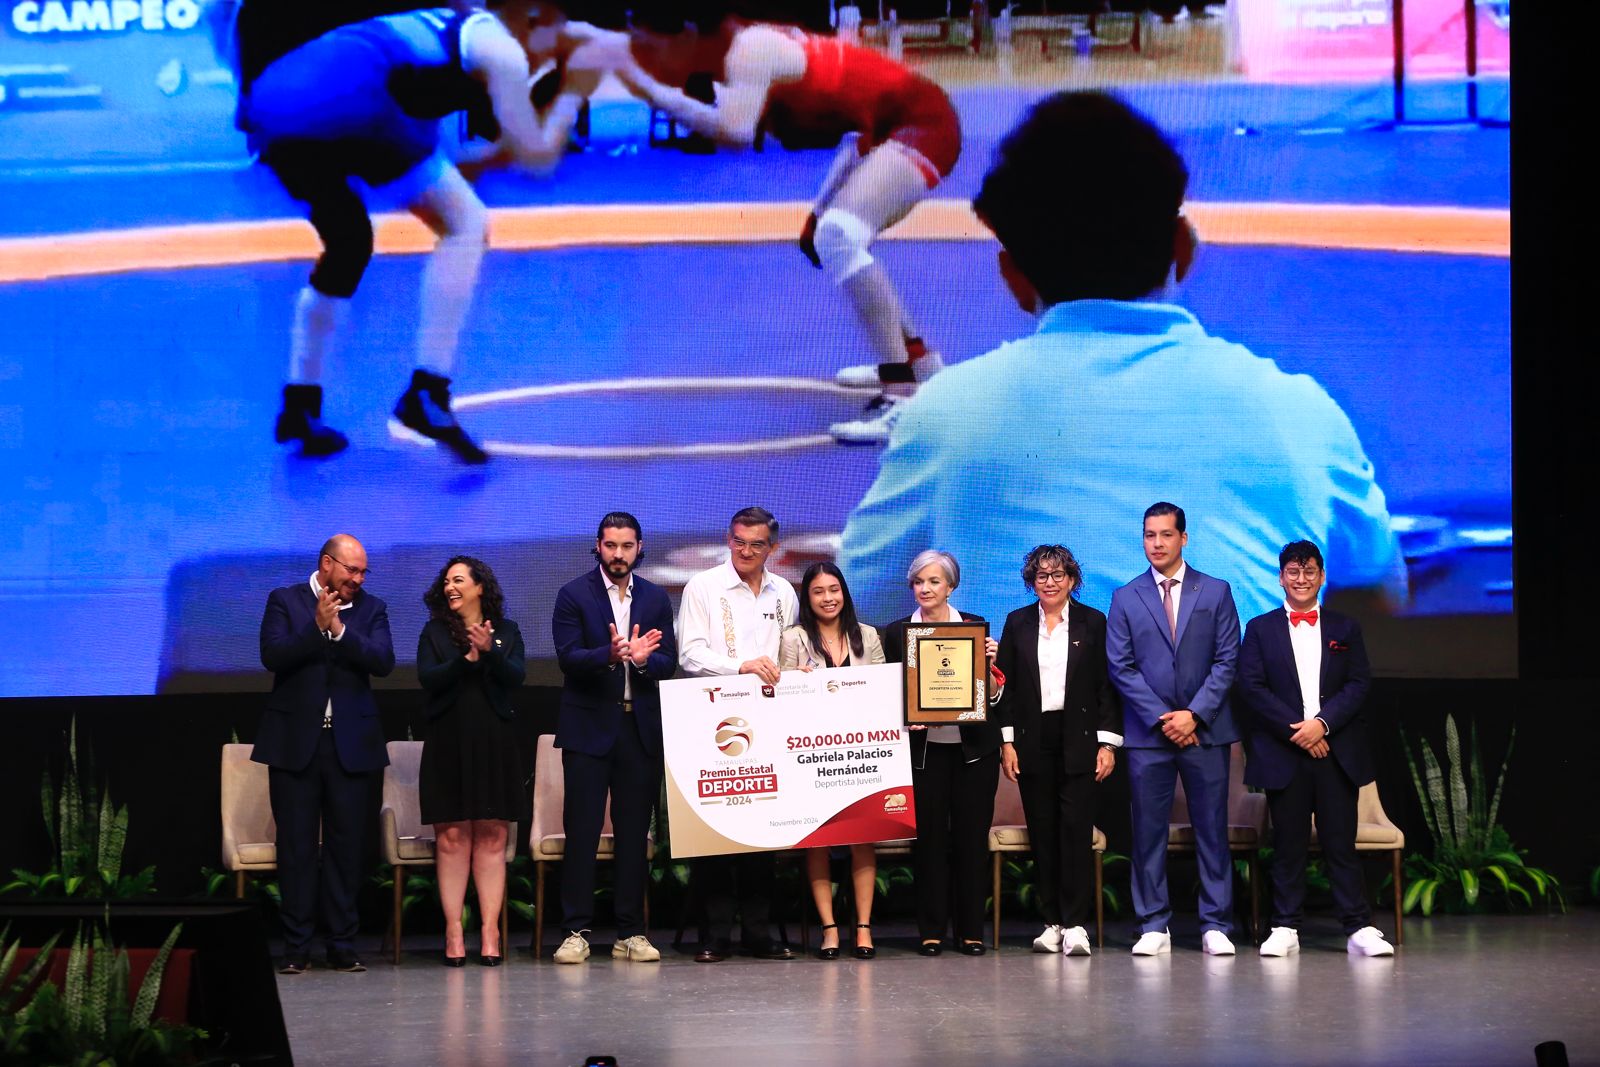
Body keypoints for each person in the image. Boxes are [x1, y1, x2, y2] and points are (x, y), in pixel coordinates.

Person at [838, 90, 1405, 630]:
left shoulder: (947, 413)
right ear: (1183, 247)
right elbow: (1380, 600)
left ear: (1013, 278)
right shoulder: (1299, 411)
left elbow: (856, 612)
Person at [240, 0, 610, 462]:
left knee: (348, 241)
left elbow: (474, 158)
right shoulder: (499, 46)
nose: (547, 61)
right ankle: (428, 390)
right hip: (357, 97)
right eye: (553, 46)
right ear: (534, 18)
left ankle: (299, 405)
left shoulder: (439, 33)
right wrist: (573, 92)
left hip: (274, 104)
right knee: (466, 223)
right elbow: (535, 158)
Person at [615, 15, 962, 444]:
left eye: (652, 43)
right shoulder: (746, 44)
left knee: (840, 236)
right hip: (890, 125)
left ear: (687, 33)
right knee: (837, 234)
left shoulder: (749, 51)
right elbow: (861, 134)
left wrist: (650, 92)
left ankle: (901, 393)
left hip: (923, 122)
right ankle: (921, 363)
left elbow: (735, 133)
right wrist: (817, 210)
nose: (651, 56)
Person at [1235, 540, 1395, 957]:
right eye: (1293, 571)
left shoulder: (1346, 627)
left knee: (1339, 844)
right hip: (1284, 753)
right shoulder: (1260, 628)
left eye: (1309, 571)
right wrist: (1300, 732)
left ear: (1321, 576)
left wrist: (1321, 726)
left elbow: (1358, 683)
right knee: (1287, 844)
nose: (1301, 579)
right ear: (1280, 578)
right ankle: (1284, 926)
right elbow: (1251, 686)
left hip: (1335, 752)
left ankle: (1358, 927)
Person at [255, 534, 394, 974]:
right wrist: (316, 627)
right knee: (296, 847)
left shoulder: (372, 609)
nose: (359, 579)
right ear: (327, 564)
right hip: (295, 743)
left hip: (350, 746)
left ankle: (341, 944)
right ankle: (296, 946)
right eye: (352, 570)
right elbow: (272, 654)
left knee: (346, 847)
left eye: (363, 572)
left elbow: (383, 660)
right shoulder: (285, 600)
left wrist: (340, 631)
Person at [1107, 502, 1241, 956]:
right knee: (1147, 833)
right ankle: (1153, 924)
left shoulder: (1216, 591)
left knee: (1212, 830)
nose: (1157, 543)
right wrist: (1164, 719)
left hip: (1205, 732)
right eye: (1150, 535)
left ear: (1184, 538)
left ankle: (1216, 924)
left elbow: (1227, 659)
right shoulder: (1126, 596)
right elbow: (1121, 666)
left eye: (1166, 534)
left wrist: (1194, 715)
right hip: (1149, 735)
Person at [549, 512, 678, 965]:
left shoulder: (655, 597)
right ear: (598, 546)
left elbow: (668, 663)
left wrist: (640, 661)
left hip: (637, 728)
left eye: (626, 546)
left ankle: (631, 932)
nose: (618, 554)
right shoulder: (573, 595)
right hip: (588, 729)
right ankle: (575, 932)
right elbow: (568, 658)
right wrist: (610, 654)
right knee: (582, 832)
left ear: (639, 547)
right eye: (610, 546)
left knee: (633, 835)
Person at [676, 506, 800, 962]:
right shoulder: (703, 586)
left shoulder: (784, 591)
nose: (746, 551)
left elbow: (788, 652)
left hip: (769, 719)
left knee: (762, 829)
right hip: (713, 719)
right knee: (715, 830)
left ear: (772, 547)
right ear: (728, 540)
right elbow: (689, 654)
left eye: (756, 544)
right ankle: (715, 935)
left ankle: (758, 933)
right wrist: (741, 666)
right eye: (739, 542)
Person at [993, 545, 1121, 957]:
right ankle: (1052, 922)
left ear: (1072, 580)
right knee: (1043, 833)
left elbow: (1106, 686)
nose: (1049, 583)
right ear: (1031, 581)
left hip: (1080, 737)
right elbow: (1007, 686)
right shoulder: (1017, 622)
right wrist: (1007, 742)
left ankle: (1076, 925)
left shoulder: (1092, 621)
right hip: (1032, 738)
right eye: (1041, 576)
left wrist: (1107, 743)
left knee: (1076, 832)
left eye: (1058, 575)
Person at [879, 550, 1002, 956]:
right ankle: (931, 930)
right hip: (923, 755)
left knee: (971, 842)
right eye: (919, 582)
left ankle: (971, 931)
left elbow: (994, 696)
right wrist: (906, 716)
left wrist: (989, 667)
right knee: (930, 843)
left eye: (934, 581)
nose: (925, 589)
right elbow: (887, 694)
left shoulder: (973, 628)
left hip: (974, 753)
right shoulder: (895, 633)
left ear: (951, 586)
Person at [417, 555, 527, 966]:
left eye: (459, 580)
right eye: (447, 581)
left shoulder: (507, 631)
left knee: (492, 837)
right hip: (447, 742)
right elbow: (428, 678)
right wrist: (466, 660)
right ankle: (453, 932)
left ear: (480, 587)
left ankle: (490, 931)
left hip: (494, 742)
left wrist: (489, 652)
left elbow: (515, 676)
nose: (450, 587)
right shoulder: (434, 632)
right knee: (451, 838)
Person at [777, 561, 887, 960]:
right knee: (818, 842)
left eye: (834, 589)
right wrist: (795, 683)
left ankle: (863, 927)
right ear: (807, 598)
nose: (828, 598)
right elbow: (779, 702)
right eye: (818, 591)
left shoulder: (868, 636)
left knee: (863, 839)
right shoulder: (793, 639)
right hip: (812, 757)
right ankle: (829, 928)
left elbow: (883, 693)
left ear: (844, 592)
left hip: (861, 754)